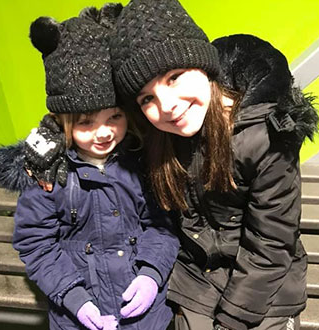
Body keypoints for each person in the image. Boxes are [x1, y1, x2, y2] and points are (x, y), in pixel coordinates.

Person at [109, 0, 319, 330]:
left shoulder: (263, 135)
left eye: (174, 77)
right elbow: (89, 122)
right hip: (197, 279)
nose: (167, 106)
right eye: (146, 98)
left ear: (203, 65)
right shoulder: (161, 135)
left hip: (265, 283)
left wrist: (232, 319)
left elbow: (271, 244)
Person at [0, 4, 179, 330]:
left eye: (114, 117)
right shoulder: (47, 172)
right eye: (86, 122)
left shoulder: (140, 158)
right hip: (77, 315)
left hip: (147, 317)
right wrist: (74, 298)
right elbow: (37, 243)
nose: (104, 132)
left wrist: (151, 274)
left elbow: (162, 224)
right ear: (63, 123)